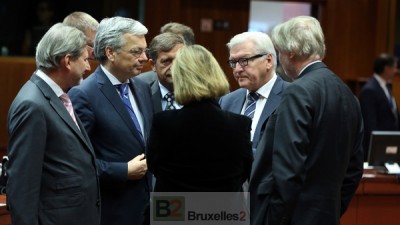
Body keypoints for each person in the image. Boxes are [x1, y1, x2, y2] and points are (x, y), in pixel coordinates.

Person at [249, 16, 364, 225]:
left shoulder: (297, 92)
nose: (280, 60)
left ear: (290, 52)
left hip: (293, 218)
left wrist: (275, 218)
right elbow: (354, 169)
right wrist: (333, 210)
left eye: (279, 52)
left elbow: (288, 169)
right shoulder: (349, 95)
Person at [7, 23, 100, 225]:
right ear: (67, 61)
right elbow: (23, 186)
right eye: (84, 60)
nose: (87, 67)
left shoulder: (58, 96)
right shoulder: (32, 105)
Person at [68, 17, 153, 225]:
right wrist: (123, 171)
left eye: (145, 50)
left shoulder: (142, 87)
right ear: (110, 52)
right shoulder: (84, 95)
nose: (144, 58)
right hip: (112, 211)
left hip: (149, 209)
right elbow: (76, 163)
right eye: (136, 51)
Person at [147, 44, 253, 192]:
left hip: (173, 209)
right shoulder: (240, 124)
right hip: (224, 211)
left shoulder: (163, 122)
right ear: (215, 73)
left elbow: (153, 168)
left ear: (180, 77)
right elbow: (244, 173)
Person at [219, 31, 290, 154]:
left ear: (268, 61)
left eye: (244, 60)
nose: (237, 69)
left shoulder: (291, 96)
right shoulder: (227, 101)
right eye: (233, 62)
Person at [359, 53, 399, 161]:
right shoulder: (369, 89)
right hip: (377, 147)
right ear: (387, 68)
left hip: (389, 145)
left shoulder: (386, 87)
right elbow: (369, 123)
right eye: (395, 67)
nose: (396, 71)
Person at [136, 32, 185, 112]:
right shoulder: (140, 94)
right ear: (153, 65)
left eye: (180, 60)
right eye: (166, 61)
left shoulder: (201, 94)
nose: (174, 67)